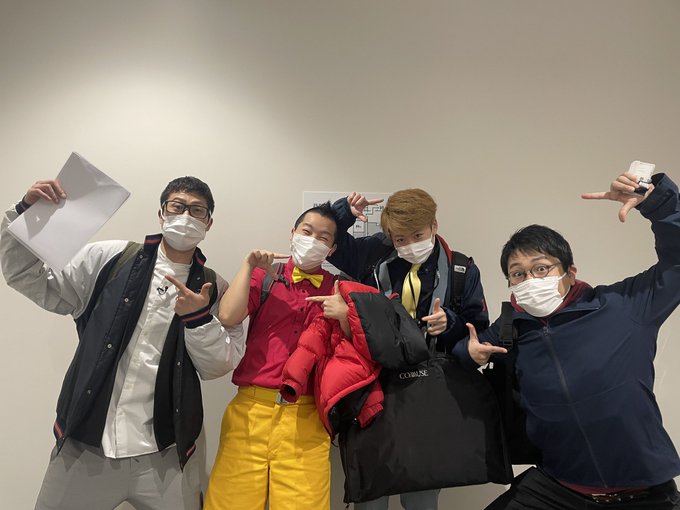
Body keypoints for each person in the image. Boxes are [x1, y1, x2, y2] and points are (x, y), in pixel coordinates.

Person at [0, 176, 245, 509]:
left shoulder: (214, 288)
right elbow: (27, 276)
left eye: (197, 210)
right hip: (86, 446)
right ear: (162, 213)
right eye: (177, 206)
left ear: (208, 223)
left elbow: (216, 366)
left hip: (168, 455)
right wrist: (25, 213)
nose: (186, 216)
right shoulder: (110, 258)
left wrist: (198, 319)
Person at [459, 169, 680, 509]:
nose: (530, 279)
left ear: (570, 272)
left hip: (645, 492)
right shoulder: (511, 327)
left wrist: (658, 203)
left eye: (541, 268)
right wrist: (467, 352)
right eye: (518, 274)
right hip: (556, 489)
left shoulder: (623, 305)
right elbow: (465, 351)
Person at [329, 189, 490, 510]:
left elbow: (479, 328)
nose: (410, 244)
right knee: (372, 494)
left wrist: (451, 323)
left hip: (430, 390)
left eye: (418, 235)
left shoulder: (460, 269)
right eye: (400, 239)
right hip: (374, 386)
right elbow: (333, 242)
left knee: (422, 493)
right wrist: (343, 212)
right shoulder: (374, 257)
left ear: (434, 226)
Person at [204, 202, 339, 510]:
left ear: (331, 250)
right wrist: (248, 265)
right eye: (307, 232)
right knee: (229, 505)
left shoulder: (337, 289)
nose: (313, 241)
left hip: (306, 416)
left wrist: (343, 314)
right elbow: (228, 315)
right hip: (249, 411)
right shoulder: (265, 277)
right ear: (293, 233)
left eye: (323, 238)